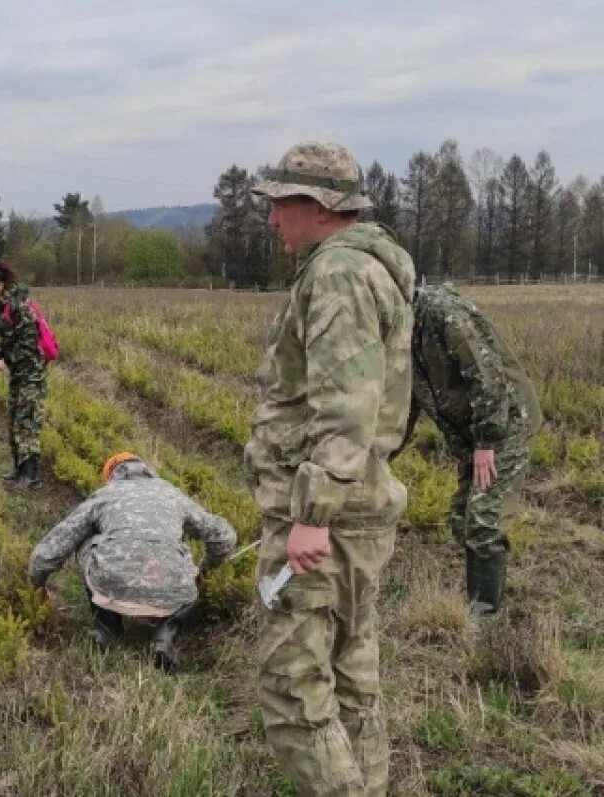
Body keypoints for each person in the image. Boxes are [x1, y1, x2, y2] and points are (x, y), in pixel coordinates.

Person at [245, 141, 415, 797]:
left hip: (328, 521)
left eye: (279, 203)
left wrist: (311, 514)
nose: (271, 219)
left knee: (294, 685)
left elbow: (345, 404)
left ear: (317, 205)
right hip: (363, 508)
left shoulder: (340, 274)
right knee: (351, 671)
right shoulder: (371, 268)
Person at [401, 283, 542, 614]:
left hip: (506, 424)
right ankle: (478, 598)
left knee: (483, 520)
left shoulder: (442, 313)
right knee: (462, 518)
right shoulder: (401, 335)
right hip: (473, 435)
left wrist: (486, 441)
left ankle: (483, 618)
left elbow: (487, 375)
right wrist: (377, 457)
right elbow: (405, 406)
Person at [27, 452, 237, 671]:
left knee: (86, 539)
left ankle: (107, 629)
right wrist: (204, 572)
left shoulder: (105, 494)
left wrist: (37, 583)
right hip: (174, 588)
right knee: (177, 551)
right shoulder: (172, 494)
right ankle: (164, 636)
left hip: (110, 583)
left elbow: (54, 546)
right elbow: (225, 537)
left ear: (110, 475)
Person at [0, 259, 46, 491]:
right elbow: (10, 338)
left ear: (2, 285)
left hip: (32, 371)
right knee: (14, 417)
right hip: (19, 370)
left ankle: (30, 477)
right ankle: (19, 470)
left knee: (27, 420)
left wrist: (5, 361)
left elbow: (28, 343)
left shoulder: (21, 305)